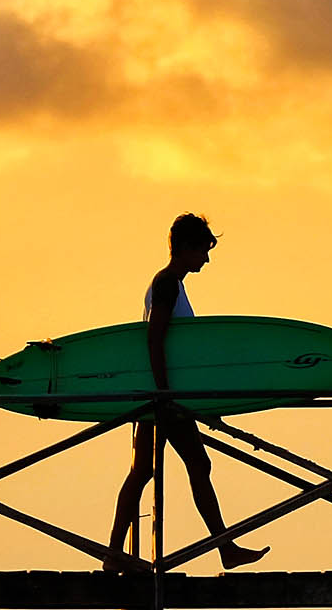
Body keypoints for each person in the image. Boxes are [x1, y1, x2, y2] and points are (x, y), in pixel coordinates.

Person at [108, 213, 267, 572]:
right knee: (192, 464)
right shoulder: (166, 284)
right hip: (163, 398)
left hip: (162, 397)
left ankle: (114, 553)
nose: (206, 259)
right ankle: (225, 548)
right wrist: (166, 395)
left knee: (145, 470)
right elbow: (154, 339)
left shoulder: (170, 285)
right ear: (185, 248)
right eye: (203, 251)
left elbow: (181, 354)